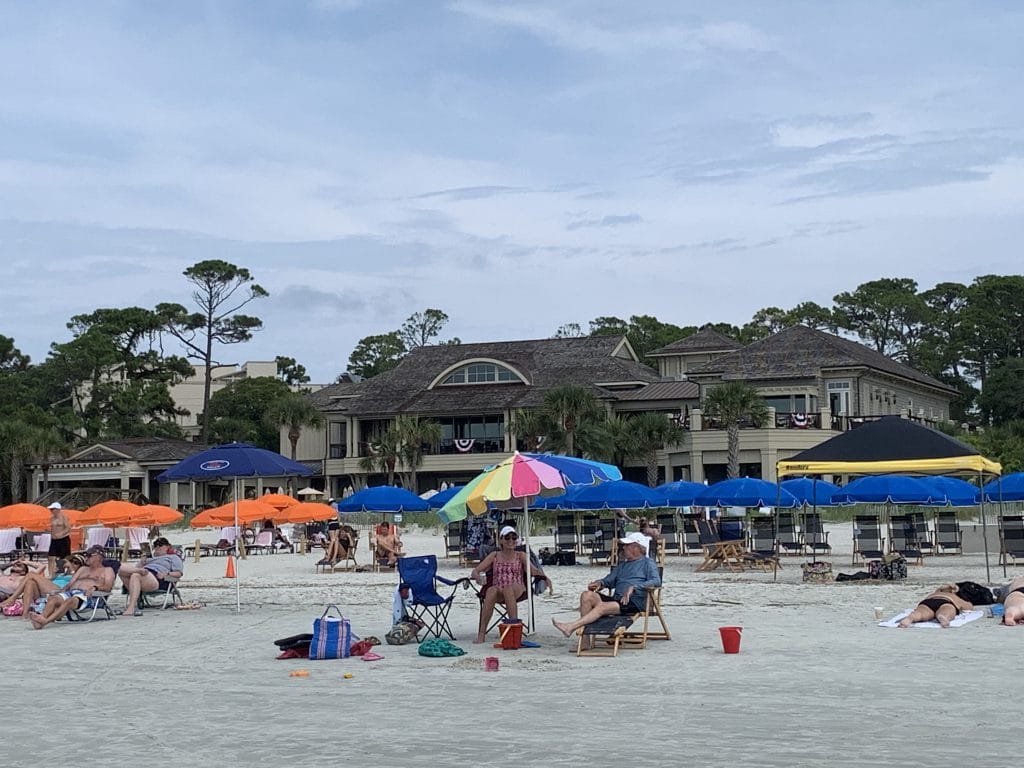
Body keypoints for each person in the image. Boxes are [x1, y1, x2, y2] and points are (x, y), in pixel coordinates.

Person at [552, 532, 661, 638]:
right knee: (586, 595)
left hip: (634, 602)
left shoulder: (647, 563)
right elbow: (609, 580)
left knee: (602, 607)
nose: (623, 548)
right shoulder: (623, 565)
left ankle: (570, 627)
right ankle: (585, 640)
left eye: (627, 545)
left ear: (637, 548)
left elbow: (656, 581)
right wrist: (599, 583)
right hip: (617, 601)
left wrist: (634, 587)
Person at [470, 525, 551, 644]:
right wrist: (477, 577)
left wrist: (545, 577)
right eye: (507, 538)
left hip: (517, 587)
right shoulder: (494, 555)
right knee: (491, 591)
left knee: (508, 589)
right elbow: (475, 571)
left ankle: (514, 630)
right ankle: (481, 634)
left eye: (514, 538)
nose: (511, 541)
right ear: (501, 540)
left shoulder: (521, 555)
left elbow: (533, 571)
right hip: (499, 587)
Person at [27, 546, 116, 630]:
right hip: (72, 592)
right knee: (53, 599)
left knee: (69, 601)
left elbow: (108, 587)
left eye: (89, 555)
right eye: (86, 555)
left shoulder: (107, 570)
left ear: (99, 557)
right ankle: (42, 618)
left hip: (91, 596)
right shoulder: (83, 569)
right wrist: (60, 591)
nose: (86, 557)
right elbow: (70, 584)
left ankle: (45, 621)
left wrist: (95, 588)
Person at [117, 537, 184, 617]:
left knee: (135, 575)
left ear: (168, 546)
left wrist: (166, 574)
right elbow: (136, 567)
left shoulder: (173, 557)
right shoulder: (149, 558)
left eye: (161, 545)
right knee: (120, 570)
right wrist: (142, 562)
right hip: (144, 573)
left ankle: (131, 608)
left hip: (158, 578)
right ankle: (140, 573)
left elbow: (179, 573)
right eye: (155, 545)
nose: (158, 547)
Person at [898, 583, 973, 628]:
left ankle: (911, 617)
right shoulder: (954, 597)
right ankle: (943, 616)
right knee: (947, 610)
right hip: (945, 601)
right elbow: (968, 607)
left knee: (921, 612)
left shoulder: (933, 594)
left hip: (928, 602)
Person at [47, 502, 72, 578]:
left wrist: (61, 533)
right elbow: (51, 528)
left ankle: (69, 571)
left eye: (52, 509)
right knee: (51, 557)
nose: (51, 511)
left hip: (63, 539)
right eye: (50, 509)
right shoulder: (51, 518)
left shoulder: (64, 517)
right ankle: (51, 574)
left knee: (65, 558)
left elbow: (68, 528)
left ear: (57, 510)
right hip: (54, 540)